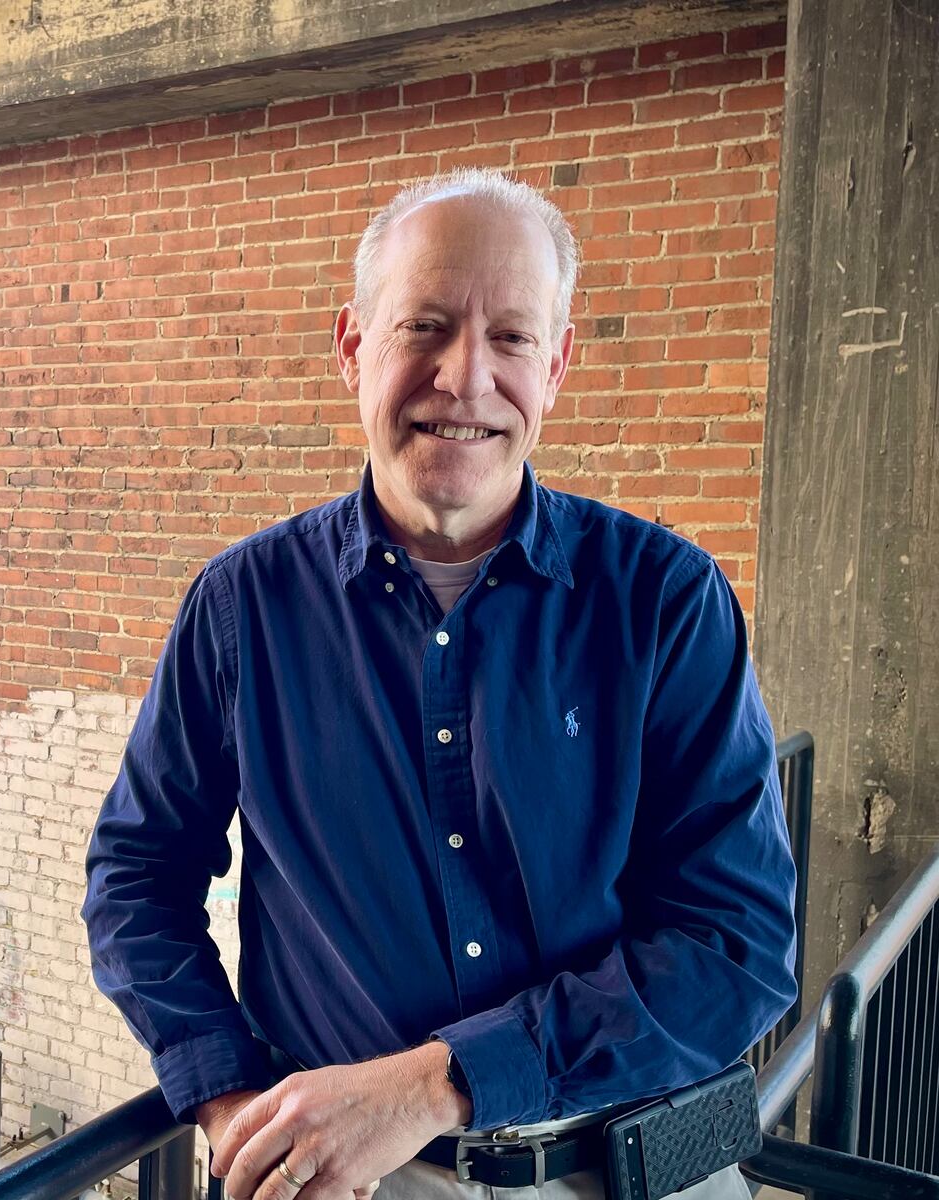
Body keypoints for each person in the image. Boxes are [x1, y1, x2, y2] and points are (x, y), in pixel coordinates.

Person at [80, 168, 797, 1200]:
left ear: (554, 367)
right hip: (353, 1182)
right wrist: (229, 1097)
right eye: (424, 326)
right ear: (352, 347)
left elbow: (734, 945)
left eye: (510, 337)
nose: (465, 379)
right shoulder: (242, 607)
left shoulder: (664, 600)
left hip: (625, 1162)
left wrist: (438, 1084)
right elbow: (136, 877)